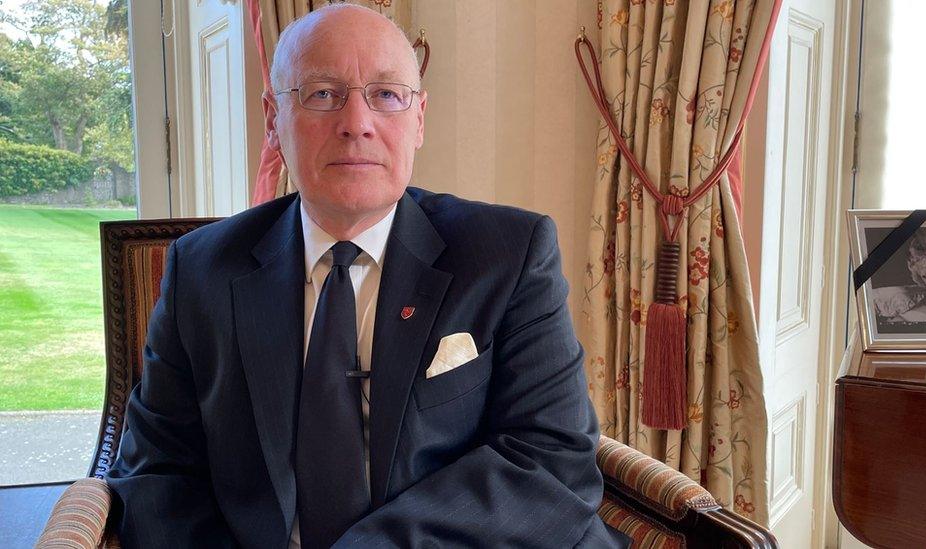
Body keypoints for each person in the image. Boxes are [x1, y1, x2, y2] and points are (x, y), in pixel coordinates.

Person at [105, 5, 628, 548]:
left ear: (418, 118)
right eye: (323, 93)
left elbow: (549, 456)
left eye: (385, 95)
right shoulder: (201, 269)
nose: (356, 123)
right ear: (272, 119)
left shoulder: (509, 255)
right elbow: (158, 469)